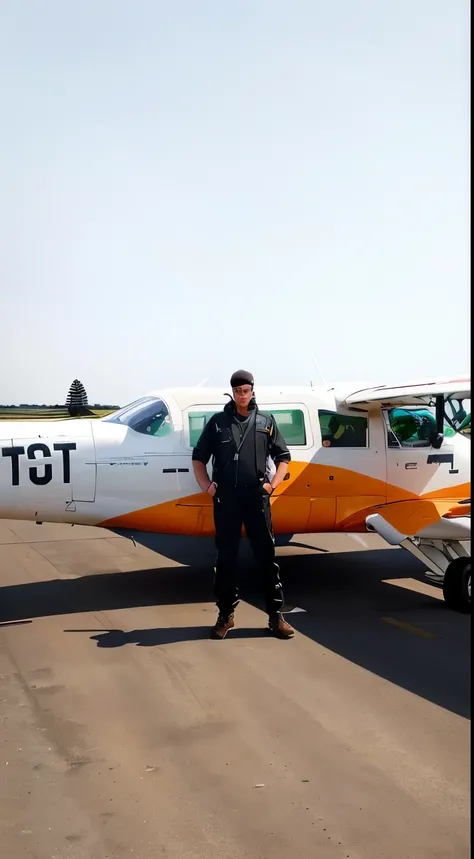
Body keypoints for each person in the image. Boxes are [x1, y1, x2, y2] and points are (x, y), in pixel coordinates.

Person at [192, 369, 295, 640]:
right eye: (237, 391)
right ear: (232, 392)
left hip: (256, 498)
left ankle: (276, 616)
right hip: (226, 499)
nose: (242, 395)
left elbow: (283, 456)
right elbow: (198, 458)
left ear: (252, 391)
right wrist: (207, 487)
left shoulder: (266, 421)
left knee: (266, 558)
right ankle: (226, 615)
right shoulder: (217, 423)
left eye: (246, 390)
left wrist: (272, 485)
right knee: (226, 559)